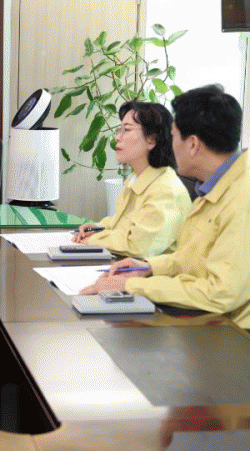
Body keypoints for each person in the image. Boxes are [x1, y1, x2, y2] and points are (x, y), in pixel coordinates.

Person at [80, 85, 250, 328]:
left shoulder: (243, 199)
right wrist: (150, 267)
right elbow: (192, 260)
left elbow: (220, 294)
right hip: (204, 320)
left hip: (231, 333)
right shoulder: (213, 184)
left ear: (193, 145)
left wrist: (132, 285)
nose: (170, 144)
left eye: (173, 136)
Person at [72, 102, 192, 258]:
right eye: (119, 130)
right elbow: (122, 222)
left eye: (127, 130)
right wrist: (97, 228)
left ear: (151, 140)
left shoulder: (165, 191)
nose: (117, 137)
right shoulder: (136, 177)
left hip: (149, 270)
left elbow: (138, 246)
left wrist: (93, 239)